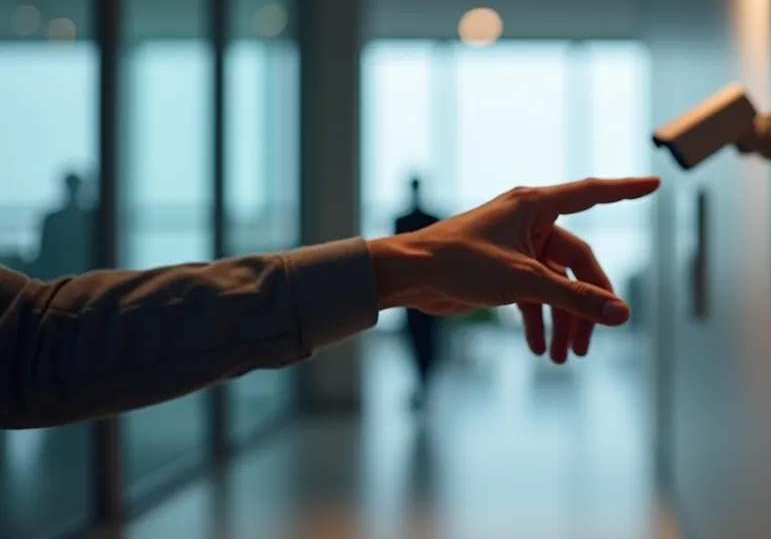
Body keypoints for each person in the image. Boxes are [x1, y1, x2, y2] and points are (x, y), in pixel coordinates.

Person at [0, 176, 660, 429]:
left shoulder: (414, 219)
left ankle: (422, 387)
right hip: (418, 295)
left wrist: (402, 268)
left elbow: (29, 343)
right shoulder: (416, 218)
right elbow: (35, 344)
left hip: (420, 295)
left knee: (423, 337)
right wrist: (404, 267)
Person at [395, 176, 442, 410]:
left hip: (414, 290)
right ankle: (423, 383)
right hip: (425, 290)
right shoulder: (431, 219)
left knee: (422, 341)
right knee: (422, 341)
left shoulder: (402, 221)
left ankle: (423, 383)